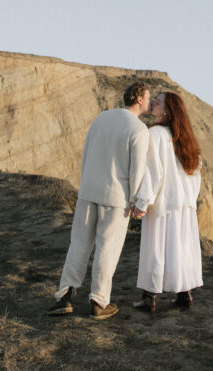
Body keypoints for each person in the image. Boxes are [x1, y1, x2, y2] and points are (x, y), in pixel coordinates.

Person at [46, 80, 151, 320]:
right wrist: (136, 199)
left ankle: (64, 296)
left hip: (88, 191)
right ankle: (99, 301)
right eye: (147, 97)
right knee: (107, 249)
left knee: (79, 244)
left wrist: (85, 184)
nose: (149, 101)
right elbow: (137, 170)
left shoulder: (101, 119)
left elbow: (87, 154)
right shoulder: (138, 129)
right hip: (115, 198)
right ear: (138, 99)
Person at [132, 91, 202, 310]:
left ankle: (149, 297)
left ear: (168, 110)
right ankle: (184, 294)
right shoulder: (187, 139)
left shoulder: (155, 134)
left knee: (157, 248)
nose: (153, 103)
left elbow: (153, 173)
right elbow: (195, 175)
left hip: (163, 203)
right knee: (180, 249)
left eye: (158, 102)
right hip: (184, 205)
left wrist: (143, 202)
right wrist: (189, 199)